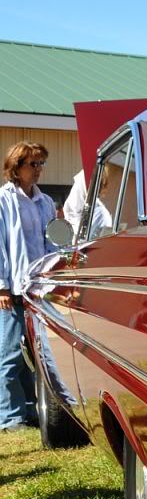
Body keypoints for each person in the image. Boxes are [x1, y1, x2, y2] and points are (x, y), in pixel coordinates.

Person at [0, 141, 57, 432]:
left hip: (39, 289)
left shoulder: (45, 201)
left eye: (40, 164)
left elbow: (53, 241)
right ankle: (8, 417)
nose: (38, 170)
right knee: (9, 354)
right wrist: (0, 286)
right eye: (32, 164)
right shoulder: (3, 200)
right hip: (13, 289)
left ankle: (26, 410)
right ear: (16, 167)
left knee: (34, 355)